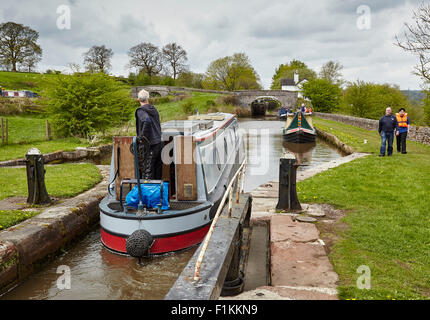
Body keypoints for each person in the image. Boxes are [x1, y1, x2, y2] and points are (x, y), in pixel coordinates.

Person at [135, 89, 163, 180]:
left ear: (139, 99)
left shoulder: (141, 111)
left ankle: (147, 193)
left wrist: (142, 137)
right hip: (159, 142)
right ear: (148, 99)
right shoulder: (153, 109)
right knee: (157, 169)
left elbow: (146, 121)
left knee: (147, 170)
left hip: (150, 144)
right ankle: (158, 193)